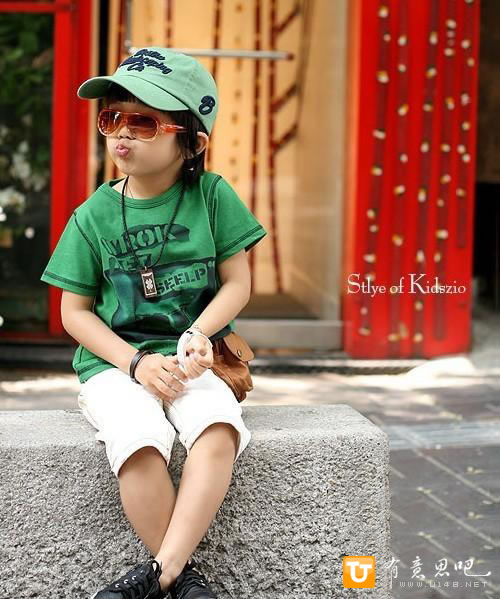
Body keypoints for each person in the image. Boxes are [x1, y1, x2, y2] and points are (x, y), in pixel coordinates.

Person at [40, 46, 267, 599]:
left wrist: (198, 333)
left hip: (192, 359)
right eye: (112, 118)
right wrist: (136, 363)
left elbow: (237, 283)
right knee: (138, 440)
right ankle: (183, 582)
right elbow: (74, 312)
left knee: (218, 429)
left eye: (143, 122)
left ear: (192, 142)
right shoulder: (91, 216)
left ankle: (158, 576)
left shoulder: (211, 197)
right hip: (115, 364)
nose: (123, 132)